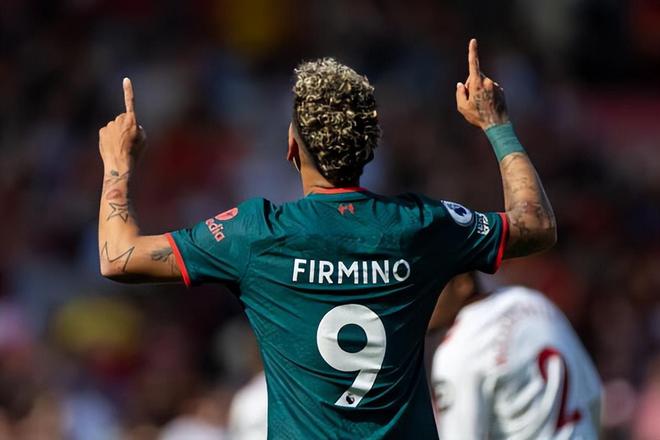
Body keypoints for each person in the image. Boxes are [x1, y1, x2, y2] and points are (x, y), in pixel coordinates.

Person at [96, 39, 556, 439]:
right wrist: (497, 124)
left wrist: (118, 163)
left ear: (291, 147)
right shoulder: (420, 225)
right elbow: (535, 225)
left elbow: (118, 256)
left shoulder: (256, 233)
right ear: (370, 146)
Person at [429, 273, 602, 439]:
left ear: (462, 283)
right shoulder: (535, 301)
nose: (416, 300)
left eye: (425, 285)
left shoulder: (458, 348)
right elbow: (595, 394)